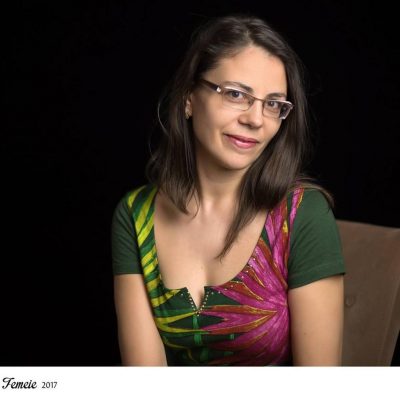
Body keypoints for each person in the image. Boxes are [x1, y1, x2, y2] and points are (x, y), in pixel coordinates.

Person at [111, 14, 345, 366]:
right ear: (189, 97)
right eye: (236, 94)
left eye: (273, 104)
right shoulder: (135, 214)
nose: (256, 119)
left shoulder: (302, 215)